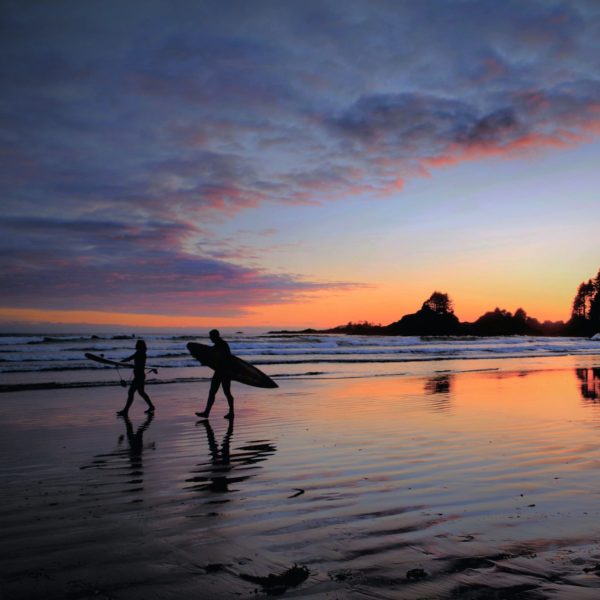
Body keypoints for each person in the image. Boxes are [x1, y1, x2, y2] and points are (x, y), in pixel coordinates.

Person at [195, 329, 234, 420]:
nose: (210, 338)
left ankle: (230, 412)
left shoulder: (222, 345)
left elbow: (225, 358)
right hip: (221, 371)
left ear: (215, 336)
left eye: (211, 336)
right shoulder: (219, 344)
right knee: (215, 392)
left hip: (224, 372)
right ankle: (207, 412)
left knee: (224, 392)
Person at [117, 339, 155, 416]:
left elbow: (130, 359)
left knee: (131, 392)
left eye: (137, 344)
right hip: (140, 376)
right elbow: (133, 360)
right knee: (141, 392)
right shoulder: (142, 353)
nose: (135, 345)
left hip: (139, 377)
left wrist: (120, 362)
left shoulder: (139, 353)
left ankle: (125, 411)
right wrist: (121, 362)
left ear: (139, 345)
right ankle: (151, 406)